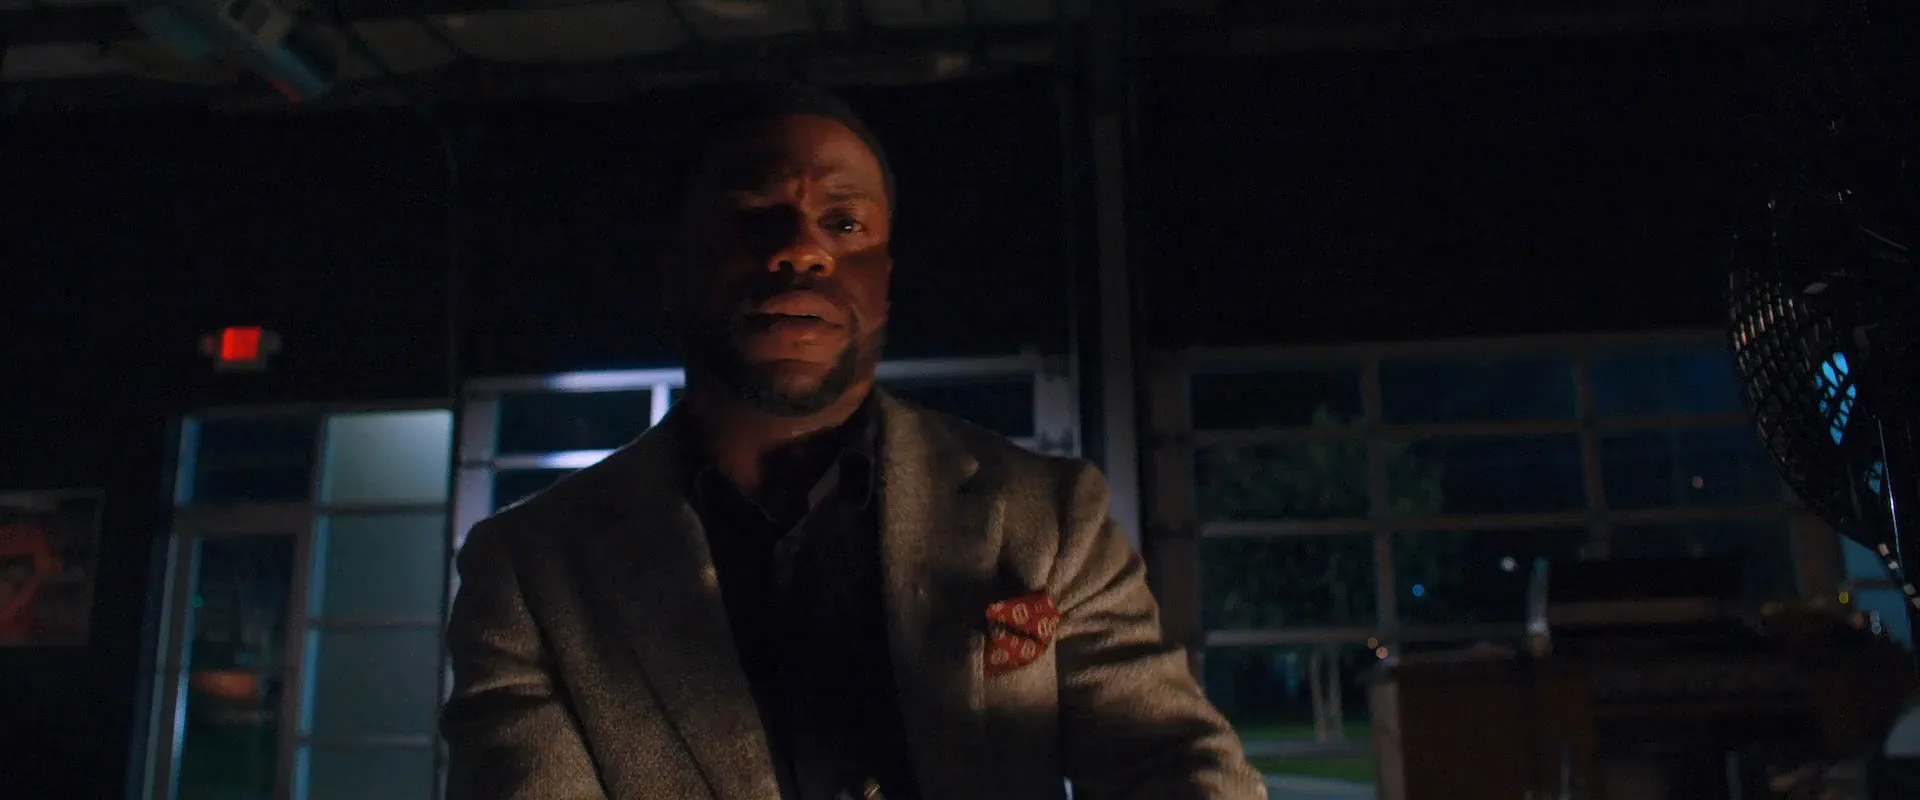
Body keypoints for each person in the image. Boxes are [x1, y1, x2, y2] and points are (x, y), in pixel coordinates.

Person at [441, 83, 1265, 800]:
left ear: (885, 285)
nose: (801, 249)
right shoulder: (531, 573)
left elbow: (1171, 760)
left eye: (844, 222)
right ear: (675, 265)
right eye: (755, 216)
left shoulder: (1045, 516)